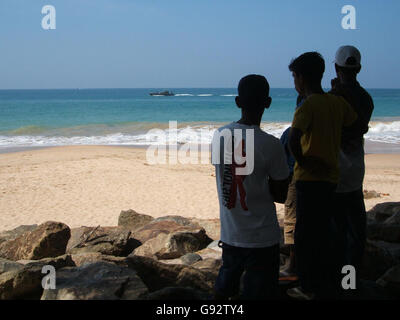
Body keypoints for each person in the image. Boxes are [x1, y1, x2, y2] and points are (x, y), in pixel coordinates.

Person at [286, 52, 358, 300]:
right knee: (326, 231)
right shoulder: (337, 104)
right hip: (332, 178)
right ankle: (328, 279)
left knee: (305, 234)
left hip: (307, 179)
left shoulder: (306, 106)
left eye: (295, 76)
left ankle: (307, 286)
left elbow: (293, 140)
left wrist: (304, 161)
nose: (294, 81)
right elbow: (354, 123)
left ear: (302, 79)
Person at [211, 74, 290, 300]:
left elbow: (225, 174)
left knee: (225, 288)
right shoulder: (272, 145)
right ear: (268, 102)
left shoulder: (220, 136)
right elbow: (281, 195)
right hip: (262, 236)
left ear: (237, 102)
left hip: (231, 232)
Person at [329, 46, 374, 287]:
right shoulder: (366, 98)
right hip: (356, 172)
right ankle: (351, 282)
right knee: (355, 232)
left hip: (332, 173)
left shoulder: (332, 98)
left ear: (336, 68)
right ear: (359, 68)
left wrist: (335, 91)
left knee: (335, 231)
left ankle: (336, 281)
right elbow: (359, 127)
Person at [279, 95, 304, 279]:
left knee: (292, 221)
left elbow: (281, 164)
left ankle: (293, 265)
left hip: (296, 179)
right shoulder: (327, 130)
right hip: (324, 179)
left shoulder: (290, 133)